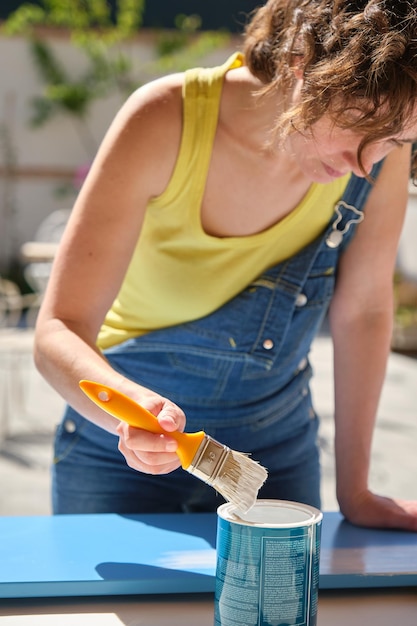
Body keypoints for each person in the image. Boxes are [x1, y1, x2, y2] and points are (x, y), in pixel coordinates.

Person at [34, 0, 417, 530]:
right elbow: (57, 331)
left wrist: (356, 492)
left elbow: (366, 311)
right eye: (358, 122)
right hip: (117, 456)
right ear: (300, 63)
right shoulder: (165, 118)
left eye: (398, 141)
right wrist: (129, 410)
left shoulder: (377, 150)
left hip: (278, 449)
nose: (365, 164)